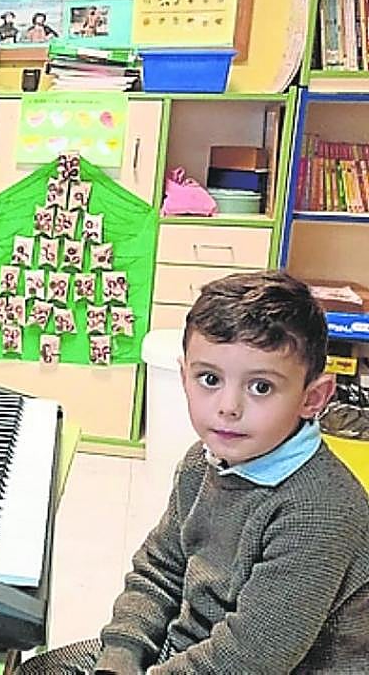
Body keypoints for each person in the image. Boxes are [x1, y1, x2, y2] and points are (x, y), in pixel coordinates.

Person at [21, 271, 369, 674]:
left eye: (261, 387)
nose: (228, 407)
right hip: (190, 651)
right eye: (210, 379)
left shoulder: (319, 512)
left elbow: (249, 659)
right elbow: (161, 568)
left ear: (313, 398)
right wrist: (121, 656)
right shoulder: (202, 461)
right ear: (184, 376)